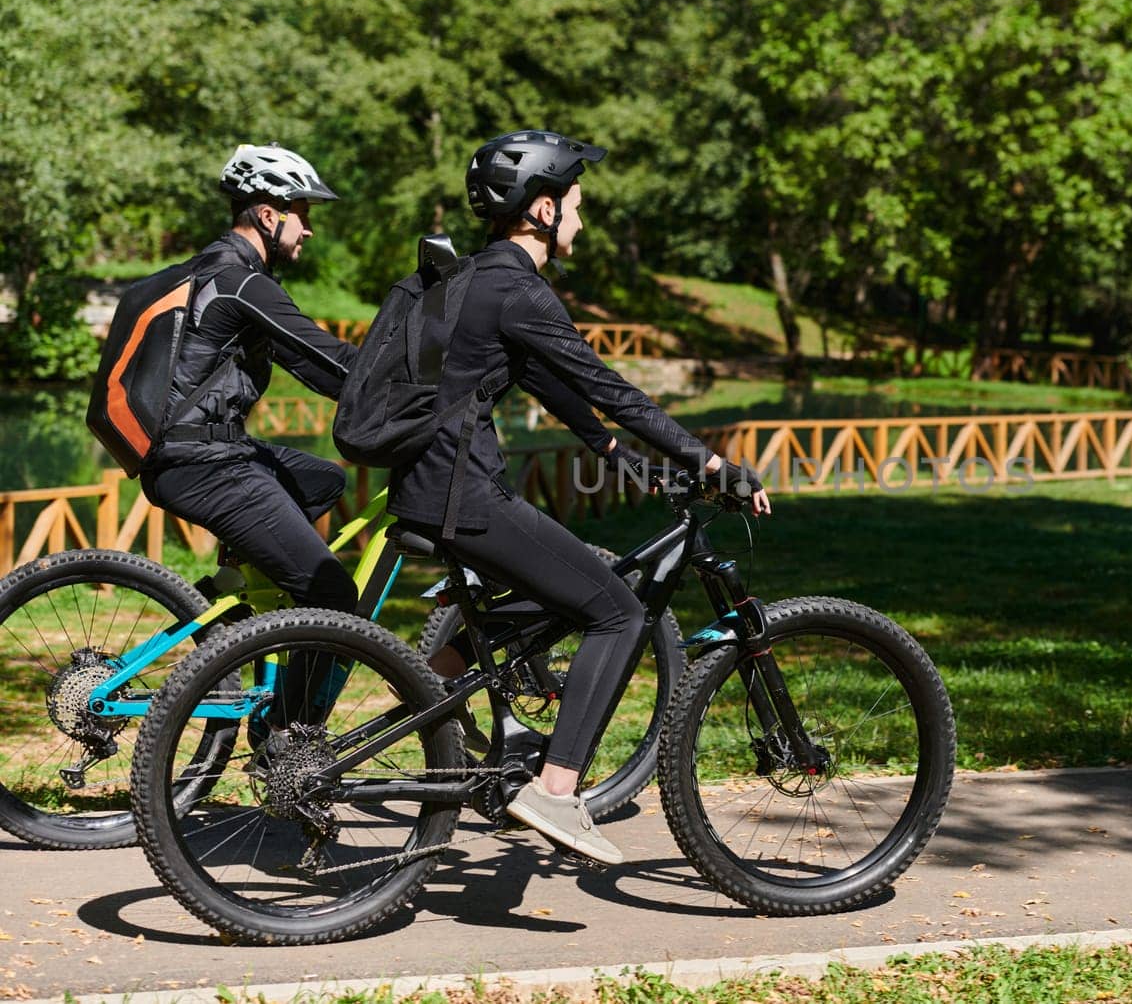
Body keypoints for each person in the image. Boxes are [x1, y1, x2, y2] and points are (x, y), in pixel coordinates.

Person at [388, 129, 771, 865]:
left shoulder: (482, 279)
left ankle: (434, 675)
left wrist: (611, 453)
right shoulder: (520, 288)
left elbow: (547, 380)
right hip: (461, 494)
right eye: (576, 206)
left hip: (432, 485)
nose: (582, 223)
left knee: (572, 591)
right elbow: (608, 386)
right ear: (540, 209)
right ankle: (555, 791)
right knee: (618, 609)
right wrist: (713, 461)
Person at [140, 144, 361, 614]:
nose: (310, 229)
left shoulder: (214, 272)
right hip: (204, 464)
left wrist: (375, 396)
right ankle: (289, 689)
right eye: (301, 213)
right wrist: (424, 385)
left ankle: (236, 596)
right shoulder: (242, 283)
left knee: (322, 481)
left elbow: (317, 368)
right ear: (267, 215)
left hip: (194, 454)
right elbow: (332, 353)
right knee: (333, 594)